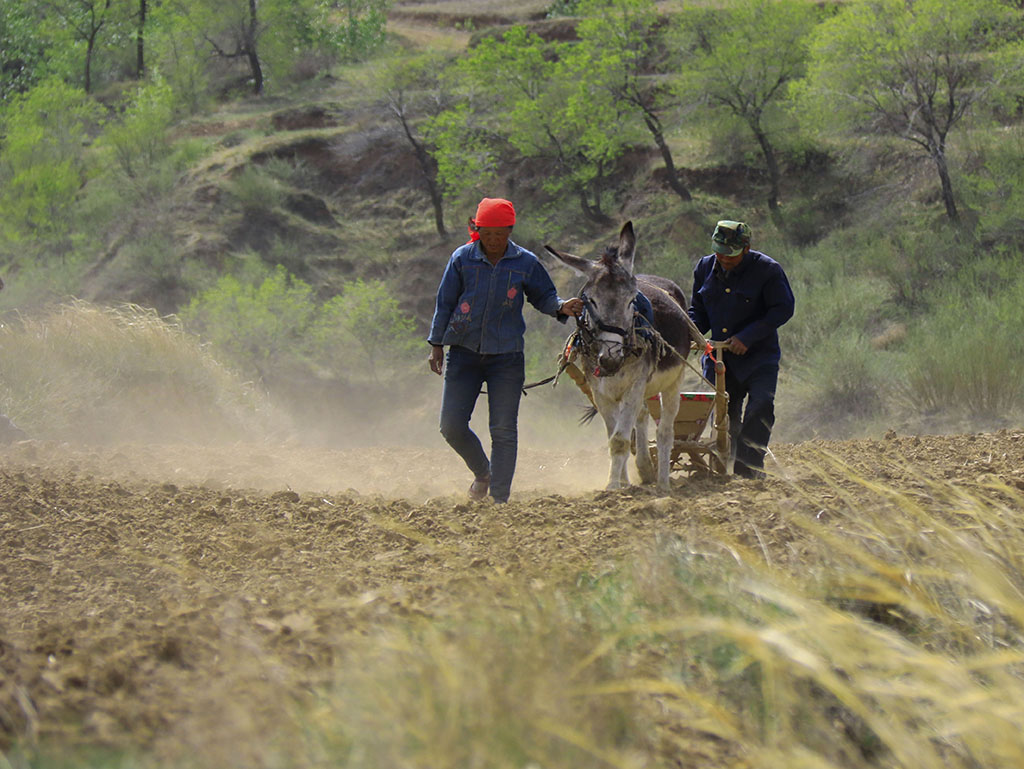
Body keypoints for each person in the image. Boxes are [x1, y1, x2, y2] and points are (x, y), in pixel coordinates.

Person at [427, 198, 583, 503]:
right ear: (478, 230)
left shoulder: (525, 263)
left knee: (503, 429)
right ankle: (483, 473)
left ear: (510, 231)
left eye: (501, 234)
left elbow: (544, 296)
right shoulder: (462, 259)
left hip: (506, 357)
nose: (494, 241)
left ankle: (499, 499)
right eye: (488, 234)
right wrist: (436, 345)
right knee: (451, 426)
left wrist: (561, 306)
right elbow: (444, 302)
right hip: (463, 352)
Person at [688, 220, 794, 479]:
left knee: (761, 406)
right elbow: (698, 313)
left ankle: (749, 468)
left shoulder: (768, 271)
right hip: (720, 359)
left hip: (760, 357)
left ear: (746, 248)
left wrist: (747, 337)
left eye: (730, 253)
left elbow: (783, 309)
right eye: (719, 251)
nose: (723, 257)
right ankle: (729, 466)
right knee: (726, 417)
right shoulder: (704, 268)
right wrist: (689, 333)